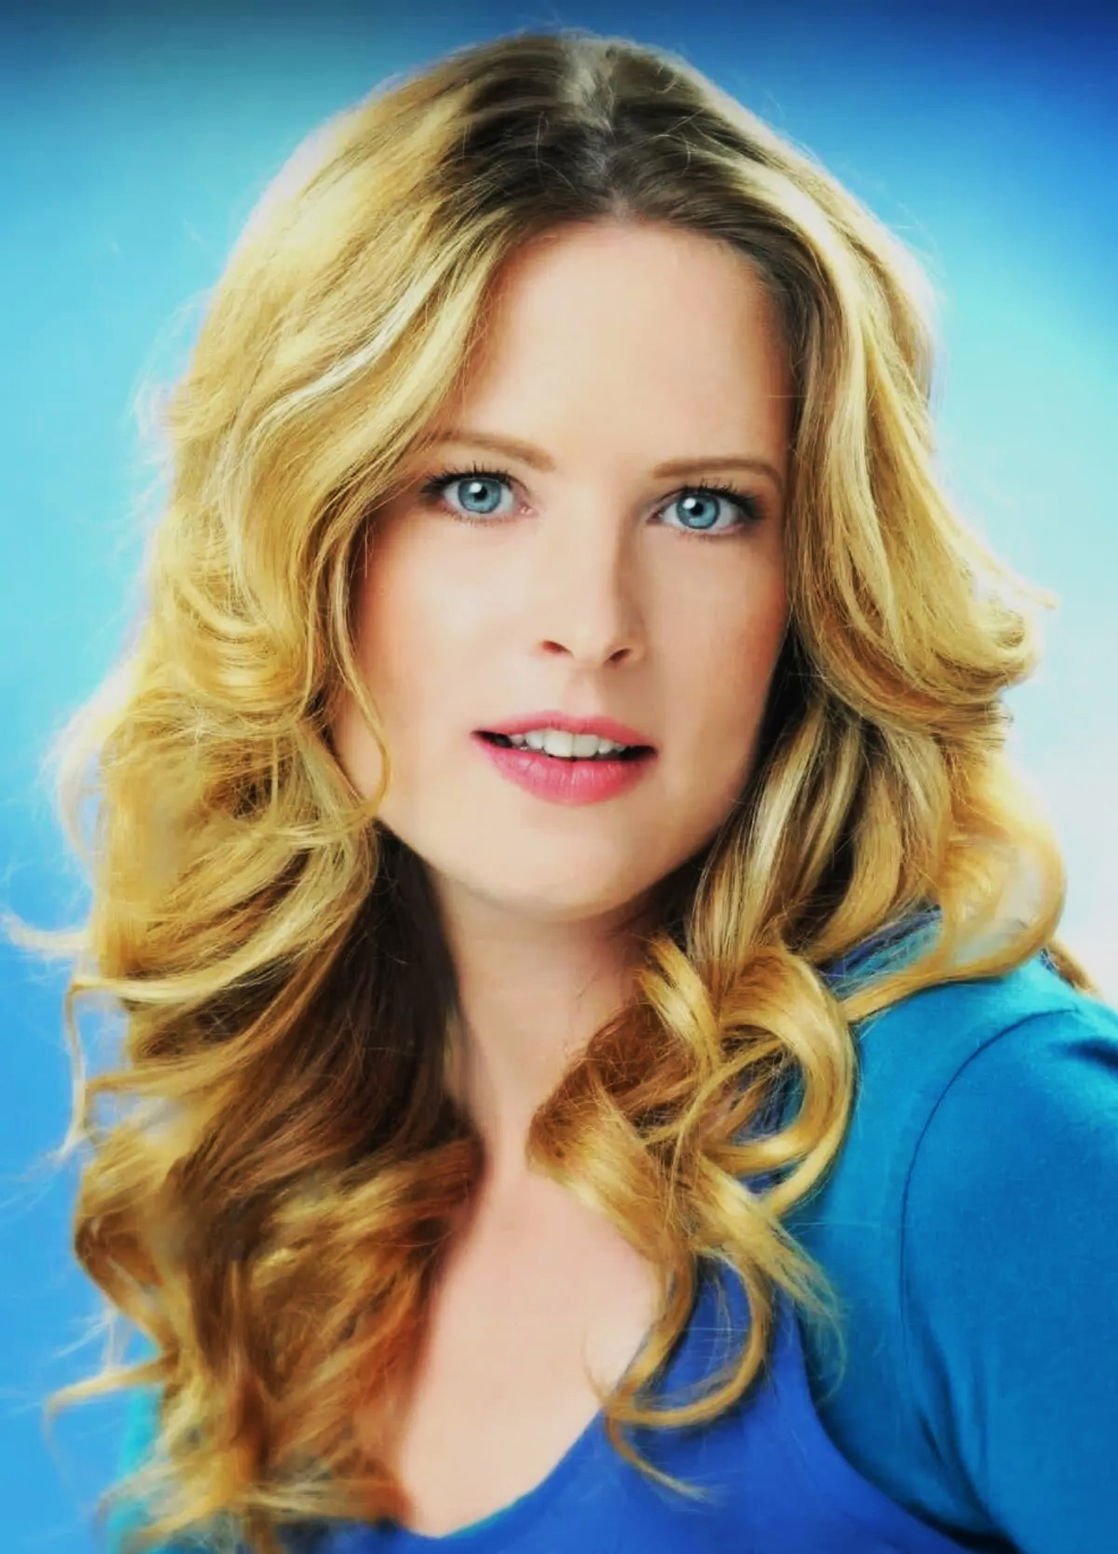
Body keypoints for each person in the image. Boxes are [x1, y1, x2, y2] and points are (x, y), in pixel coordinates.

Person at [29, 25, 1118, 1554]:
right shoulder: (273, 1191)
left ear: (814, 587)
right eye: (476, 488)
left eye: (703, 507)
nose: (592, 620)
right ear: (301, 543)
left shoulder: (986, 1147)